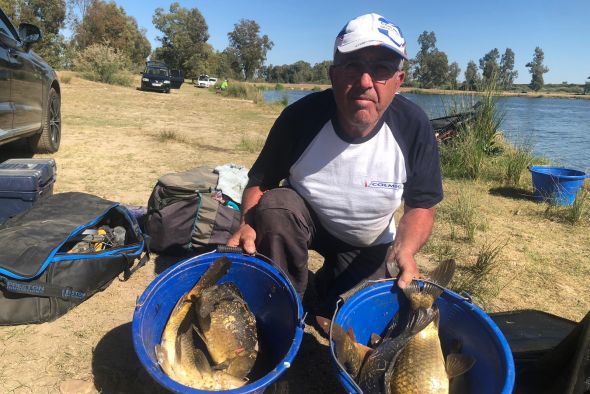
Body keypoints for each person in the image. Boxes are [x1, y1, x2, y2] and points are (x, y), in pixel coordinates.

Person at [227, 13, 442, 310]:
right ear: (333, 75)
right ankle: (281, 308)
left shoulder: (413, 125)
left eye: (381, 69)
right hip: (305, 223)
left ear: (398, 81)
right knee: (276, 208)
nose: (366, 82)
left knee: (360, 316)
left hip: (369, 242)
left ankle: (326, 287)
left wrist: (406, 249)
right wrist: (247, 222)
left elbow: (422, 205)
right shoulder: (300, 118)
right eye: (353, 66)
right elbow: (261, 183)